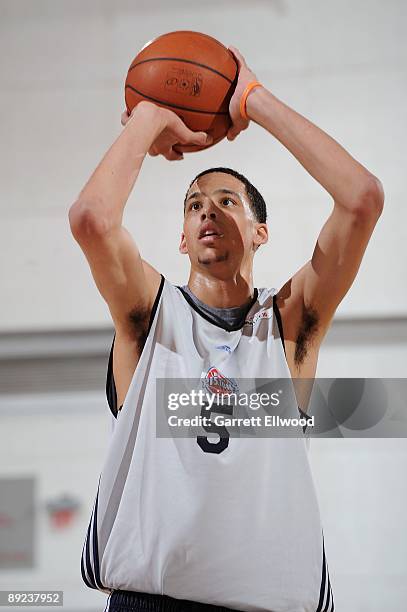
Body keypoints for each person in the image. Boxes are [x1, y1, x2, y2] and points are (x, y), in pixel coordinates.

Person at [69, 45, 384, 612]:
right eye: (194, 205)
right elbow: (91, 219)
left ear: (259, 232)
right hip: (152, 601)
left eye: (226, 201)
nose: (208, 210)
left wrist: (251, 100)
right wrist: (149, 120)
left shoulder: (288, 322)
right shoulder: (148, 314)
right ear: (182, 240)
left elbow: (362, 199)